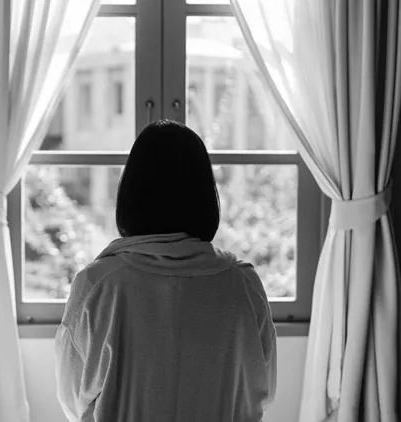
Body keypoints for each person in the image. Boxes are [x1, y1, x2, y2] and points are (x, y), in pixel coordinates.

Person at [54, 120, 277, 422]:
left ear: (130, 194)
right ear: (206, 196)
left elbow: (72, 398)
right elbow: (263, 392)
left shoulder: (98, 285)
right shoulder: (243, 284)